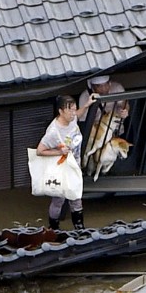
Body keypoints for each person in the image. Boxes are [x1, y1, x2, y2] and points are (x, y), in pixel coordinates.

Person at [37, 93, 94, 230]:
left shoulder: (72, 118)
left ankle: (79, 227)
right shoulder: (53, 132)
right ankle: (54, 227)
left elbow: (78, 115)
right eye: (70, 111)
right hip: (60, 169)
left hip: (74, 167)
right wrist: (58, 152)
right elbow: (40, 150)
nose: (73, 114)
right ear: (61, 111)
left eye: (74, 110)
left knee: (76, 198)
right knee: (59, 200)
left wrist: (86, 105)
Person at [79, 75, 131, 178]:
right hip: (97, 135)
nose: (103, 89)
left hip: (116, 131)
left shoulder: (117, 88)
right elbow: (83, 123)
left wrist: (125, 110)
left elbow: (125, 104)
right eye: (99, 86)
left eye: (105, 85)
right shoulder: (85, 97)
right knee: (95, 156)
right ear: (93, 87)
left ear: (109, 83)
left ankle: (111, 173)